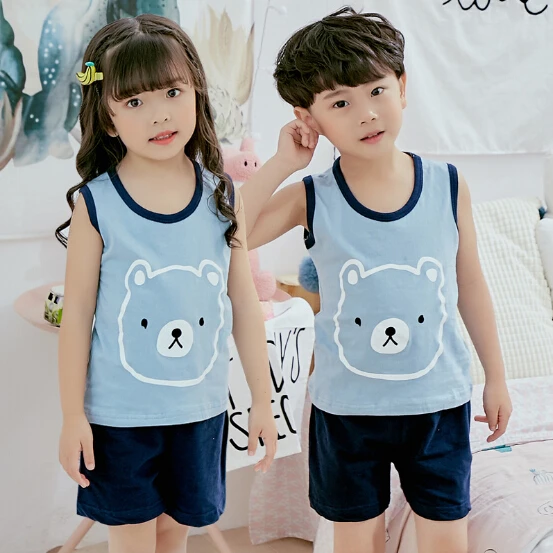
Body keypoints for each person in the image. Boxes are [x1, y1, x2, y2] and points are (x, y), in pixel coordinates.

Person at [240, 7, 512, 553]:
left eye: (376, 91)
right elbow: (229, 234)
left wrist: (496, 377)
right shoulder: (311, 197)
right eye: (340, 103)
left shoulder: (447, 184)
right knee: (356, 541)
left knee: (446, 541)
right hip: (347, 410)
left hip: (438, 404)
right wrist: (283, 162)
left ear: (402, 87)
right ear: (309, 117)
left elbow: (470, 285)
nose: (366, 114)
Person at [56, 14, 277, 553]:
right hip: (119, 420)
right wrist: (71, 416)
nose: (159, 114)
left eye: (173, 92)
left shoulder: (221, 196)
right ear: (108, 119)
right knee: (132, 541)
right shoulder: (96, 205)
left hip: (200, 414)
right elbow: (77, 317)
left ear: (196, 92)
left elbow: (244, 304)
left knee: (174, 536)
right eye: (134, 101)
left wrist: (262, 399)